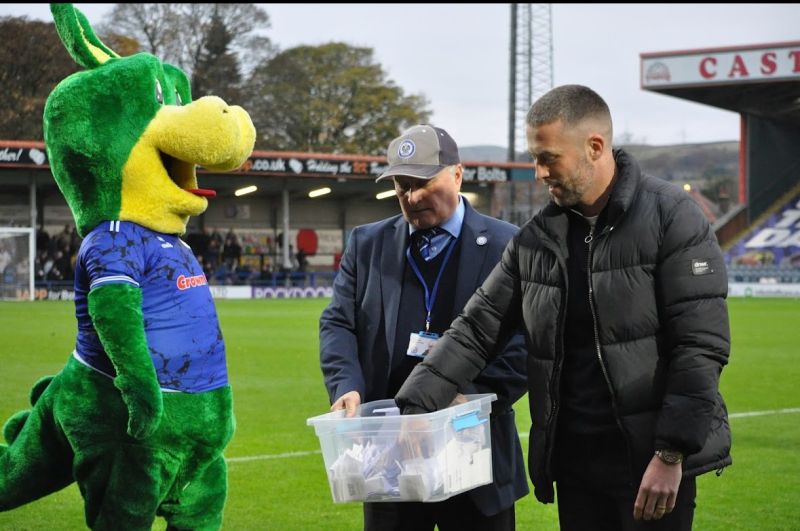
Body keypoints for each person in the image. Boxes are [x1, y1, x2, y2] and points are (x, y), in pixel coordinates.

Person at [396, 86, 732, 530]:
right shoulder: (535, 239)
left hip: (650, 461)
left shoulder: (672, 217)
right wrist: (412, 408)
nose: (538, 171)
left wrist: (671, 453)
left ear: (595, 147)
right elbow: (476, 329)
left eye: (548, 157)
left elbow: (699, 346)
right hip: (575, 465)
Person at [319, 124, 529, 530]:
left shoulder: (509, 244)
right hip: (389, 458)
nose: (411, 197)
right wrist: (346, 385)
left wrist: (472, 397)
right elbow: (338, 321)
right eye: (401, 186)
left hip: (474, 454)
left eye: (422, 183)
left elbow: (526, 338)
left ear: (457, 174)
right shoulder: (367, 244)